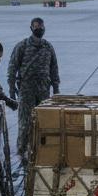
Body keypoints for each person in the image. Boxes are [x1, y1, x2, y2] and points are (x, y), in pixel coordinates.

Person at [8, 17, 60, 156]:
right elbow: (12, 68)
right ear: (31, 28)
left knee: (44, 120)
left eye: (41, 27)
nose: (39, 29)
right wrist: (12, 89)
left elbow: (54, 68)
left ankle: (42, 150)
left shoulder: (48, 47)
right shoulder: (22, 46)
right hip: (27, 89)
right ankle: (21, 151)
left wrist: (56, 89)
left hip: (43, 90)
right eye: (36, 27)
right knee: (25, 122)